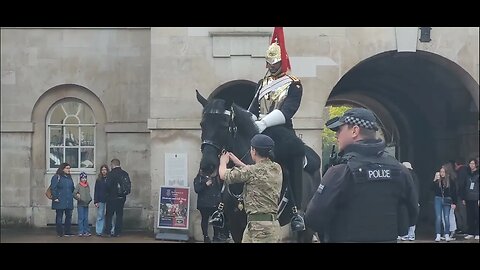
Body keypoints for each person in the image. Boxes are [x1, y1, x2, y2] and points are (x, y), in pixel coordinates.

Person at [304, 108, 419, 242]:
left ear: (354, 131)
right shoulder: (400, 170)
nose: (337, 136)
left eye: (340, 130)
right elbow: (412, 214)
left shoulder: (339, 172)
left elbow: (313, 218)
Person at [248, 27, 304, 227]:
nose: (272, 66)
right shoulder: (261, 83)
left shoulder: (293, 84)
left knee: (298, 151)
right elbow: (253, 107)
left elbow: (288, 110)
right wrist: (251, 120)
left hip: (280, 130)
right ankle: (223, 205)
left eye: (276, 63)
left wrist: (264, 122)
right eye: (269, 63)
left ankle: (298, 210)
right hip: (258, 129)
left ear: (283, 61)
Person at [219, 134, 282, 243]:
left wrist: (223, 162)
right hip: (270, 226)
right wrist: (239, 163)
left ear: (254, 151)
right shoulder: (277, 168)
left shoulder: (250, 171)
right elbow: (258, 174)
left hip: (258, 230)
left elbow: (224, 175)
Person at [193, 170, 222, 243]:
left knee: (216, 219)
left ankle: (216, 236)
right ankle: (205, 236)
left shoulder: (216, 177)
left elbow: (219, 189)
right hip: (204, 203)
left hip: (214, 202)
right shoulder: (199, 178)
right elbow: (197, 189)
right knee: (205, 219)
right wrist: (205, 184)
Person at [105, 158, 130, 237]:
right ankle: (118, 232)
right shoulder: (125, 173)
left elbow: (107, 186)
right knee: (119, 215)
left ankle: (108, 232)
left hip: (112, 197)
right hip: (122, 197)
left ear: (112, 164)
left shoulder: (111, 174)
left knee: (109, 215)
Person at [50, 162, 75, 237]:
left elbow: (72, 188)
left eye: (69, 168)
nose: (69, 170)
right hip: (60, 200)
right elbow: (53, 188)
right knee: (59, 216)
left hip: (68, 200)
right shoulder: (56, 177)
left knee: (68, 216)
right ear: (62, 169)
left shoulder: (69, 178)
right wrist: (55, 197)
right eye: (67, 168)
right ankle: (59, 232)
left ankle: (67, 231)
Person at [432, 166, 456, 242]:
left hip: (447, 200)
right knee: (438, 217)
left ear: (446, 173)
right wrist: (435, 179)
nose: (442, 173)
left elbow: (454, 192)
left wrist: (454, 202)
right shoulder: (437, 181)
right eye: (441, 172)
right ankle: (438, 234)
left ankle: (446, 234)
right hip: (438, 199)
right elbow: (431, 189)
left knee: (446, 217)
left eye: (443, 172)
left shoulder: (450, 181)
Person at [398, 161, 420, 241]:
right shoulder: (414, 176)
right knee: (413, 216)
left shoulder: (404, 176)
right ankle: (410, 234)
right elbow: (416, 189)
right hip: (412, 198)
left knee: (405, 216)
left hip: (405, 199)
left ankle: (406, 234)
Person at [462, 158, 479, 240]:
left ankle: (477, 232)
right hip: (468, 197)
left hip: (476, 198)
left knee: (477, 215)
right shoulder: (467, 174)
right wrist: (463, 198)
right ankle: (471, 232)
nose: (471, 165)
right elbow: (464, 186)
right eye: (470, 163)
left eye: (473, 163)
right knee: (469, 216)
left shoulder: (478, 174)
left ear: (476, 164)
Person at [74, 172, 92, 237]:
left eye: (85, 178)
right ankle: (80, 231)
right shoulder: (78, 185)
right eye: (83, 178)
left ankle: (86, 231)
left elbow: (88, 193)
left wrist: (89, 199)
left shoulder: (87, 185)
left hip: (86, 204)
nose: (84, 179)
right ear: (80, 179)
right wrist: (79, 198)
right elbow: (74, 193)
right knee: (81, 218)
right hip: (80, 204)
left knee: (86, 218)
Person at [94, 164, 110, 236]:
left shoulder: (110, 179)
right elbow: (96, 191)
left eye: (105, 169)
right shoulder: (99, 180)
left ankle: (110, 230)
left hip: (109, 199)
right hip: (101, 199)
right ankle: (99, 231)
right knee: (100, 215)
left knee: (110, 215)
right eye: (102, 170)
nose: (104, 171)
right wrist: (96, 201)